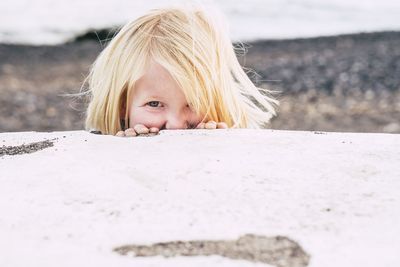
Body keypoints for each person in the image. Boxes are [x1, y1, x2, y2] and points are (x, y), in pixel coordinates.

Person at [82, 5, 278, 137]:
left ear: (219, 99)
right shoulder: (104, 152)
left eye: (193, 103)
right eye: (154, 103)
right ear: (123, 104)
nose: (175, 125)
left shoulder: (229, 141)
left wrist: (218, 145)